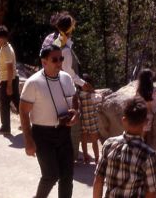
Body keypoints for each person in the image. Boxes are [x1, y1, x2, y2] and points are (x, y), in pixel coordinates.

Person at [20, 44, 79, 198]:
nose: (59, 62)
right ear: (44, 61)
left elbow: (74, 99)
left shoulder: (66, 78)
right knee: (51, 175)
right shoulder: (33, 83)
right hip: (42, 135)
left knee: (67, 177)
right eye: (55, 59)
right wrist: (28, 141)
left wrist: (75, 113)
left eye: (61, 58)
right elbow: (23, 112)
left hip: (64, 132)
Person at [42, 11, 93, 161]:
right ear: (70, 30)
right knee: (73, 123)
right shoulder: (66, 50)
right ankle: (71, 156)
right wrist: (84, 84)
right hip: (66, 88)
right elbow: (70, 74)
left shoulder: (54, 41)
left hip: (51, 84)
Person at [93, 97, 156, 198]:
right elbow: (151, 193)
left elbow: (98, 180)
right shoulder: (148, 154)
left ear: (124, 120)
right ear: (146, 122)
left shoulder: (108, 144)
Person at [0, 25, 20, 136]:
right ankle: (27, 123)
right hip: (10, 79)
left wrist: (8, 85)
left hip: (9, 80)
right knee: (18, 103)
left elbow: (9, 67)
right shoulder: (6, 47)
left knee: (4, 105)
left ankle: (5, 127)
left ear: (2, 38)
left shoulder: (6, 50)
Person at [136, 68, 156, 141]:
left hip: (141, 112)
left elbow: (137, 100)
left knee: (141, 132)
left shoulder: (139, 90)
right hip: (149, 114)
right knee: (144, 133)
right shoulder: (154, 90)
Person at [78, 73, 99, 164]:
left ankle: (97, 158)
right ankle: (86, 157)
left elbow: (98, 100)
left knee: (94, 141)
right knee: (84, 141)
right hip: (83, 121)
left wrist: (93, 91)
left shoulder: (92, 94)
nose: (85, 86)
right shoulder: (78, 95)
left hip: (92, 121)